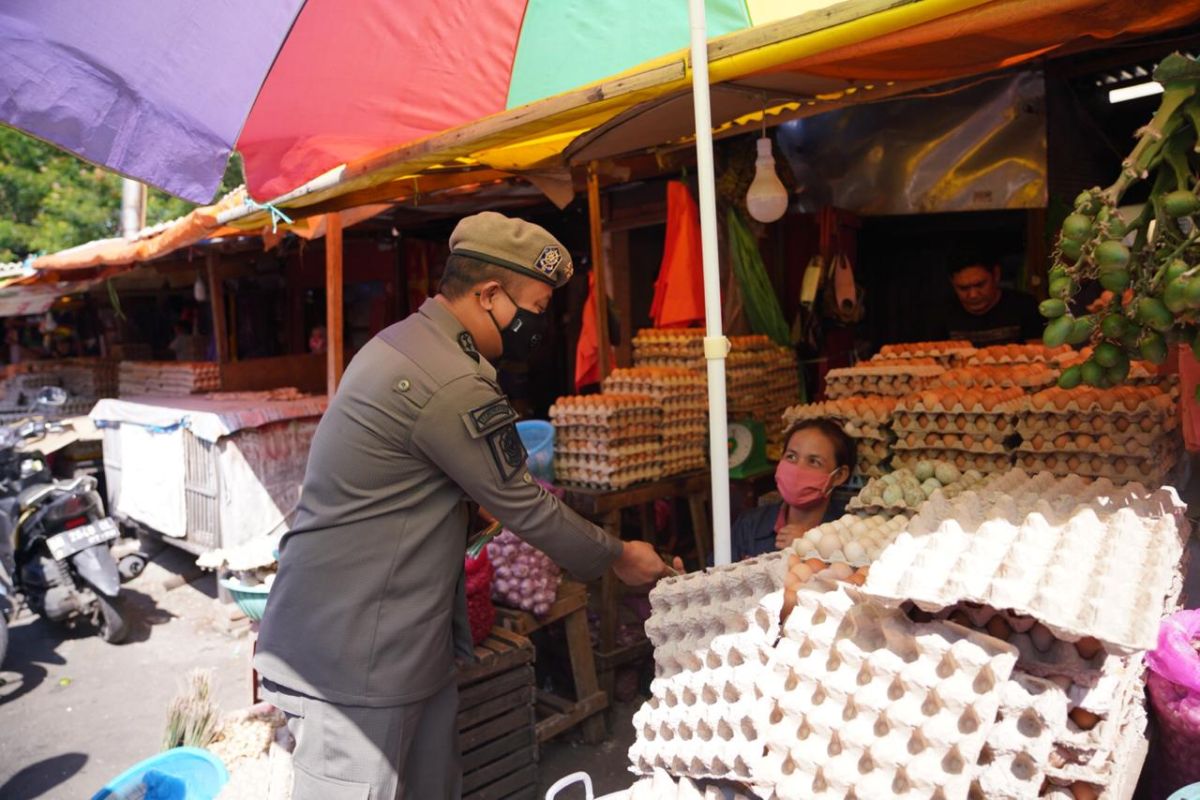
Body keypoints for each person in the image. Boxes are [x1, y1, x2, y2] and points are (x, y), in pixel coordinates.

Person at [254, 212, 676, 800]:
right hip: (355, 652)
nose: (539, 324)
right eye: (536, 306)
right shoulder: (449, 378)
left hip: (395, 638)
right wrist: (618, 554)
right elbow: (525, 504)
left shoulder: (407, 343)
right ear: (490, 294)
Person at [730, 418, 854, 562]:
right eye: (791, 456)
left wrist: (811, 547)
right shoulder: (749, 525)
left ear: (839, 475)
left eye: (814, 461)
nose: (797, 469)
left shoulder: (848, 535)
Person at [942, 253, 1042, 346]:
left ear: (996, 275)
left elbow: (1039, 354)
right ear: (952, 283)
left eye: (980, 285)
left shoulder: (1025, 306)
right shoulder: (941, 312)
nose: (973, 295)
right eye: (963, 288)